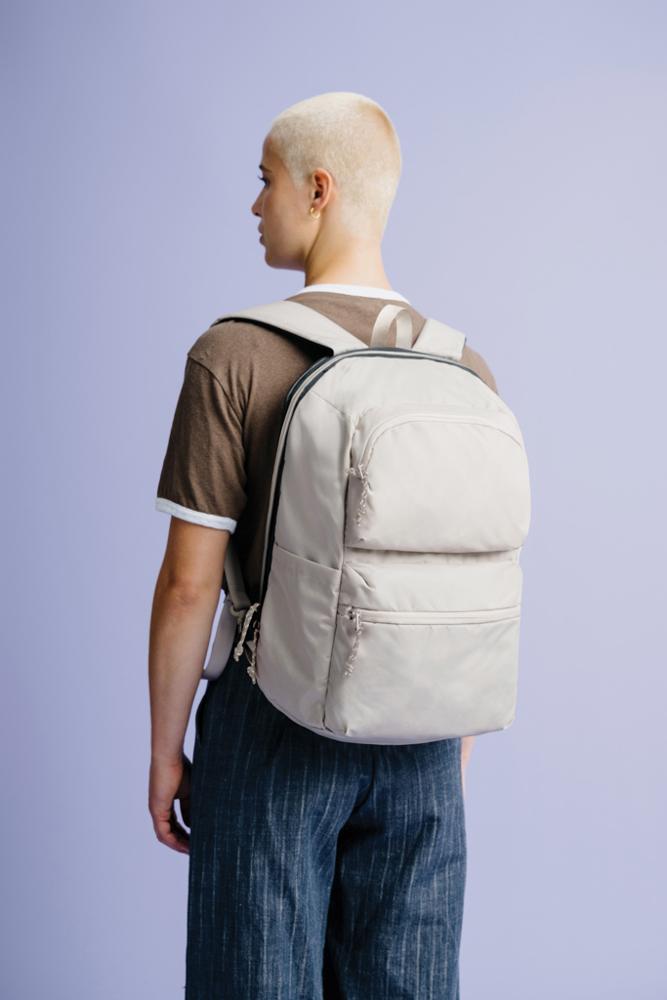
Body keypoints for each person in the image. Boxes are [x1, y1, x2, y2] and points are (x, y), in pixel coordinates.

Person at [148, 91, 499, 999]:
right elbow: (467, 576)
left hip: (274, 721)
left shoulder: (233, 353)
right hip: (425, 735)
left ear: (319, 189)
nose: (254, 203)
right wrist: (444, 750)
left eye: (265, 180)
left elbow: (188, 586)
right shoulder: (462, 370)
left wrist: (166, 752)